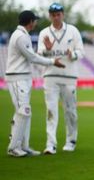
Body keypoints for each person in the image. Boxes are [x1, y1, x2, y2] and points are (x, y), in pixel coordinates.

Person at [5, 10, 65, 157]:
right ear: (30, 22)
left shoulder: (23, 35)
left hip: (23, 77)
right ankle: (13, 148)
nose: (36, 23)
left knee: (25, 112)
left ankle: (24, 146)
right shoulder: (19, 36)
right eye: (35, 20)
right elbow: (32, 57)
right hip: (17, 78)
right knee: (23, 111)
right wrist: (52, 62)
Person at [37, 3, 84, 154]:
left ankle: (71, 140)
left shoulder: (72, 31)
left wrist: (73, 55)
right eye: (53, 15)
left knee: (70, 110)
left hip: (69, 76)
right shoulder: (44, 33)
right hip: (50, 76)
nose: (56, 17)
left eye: (58, 14)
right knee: (51, 110)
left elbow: (81, 51)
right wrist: (47, 50)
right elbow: (39, 54)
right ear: (49, 16)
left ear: (63, 14)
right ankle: (50, 144)